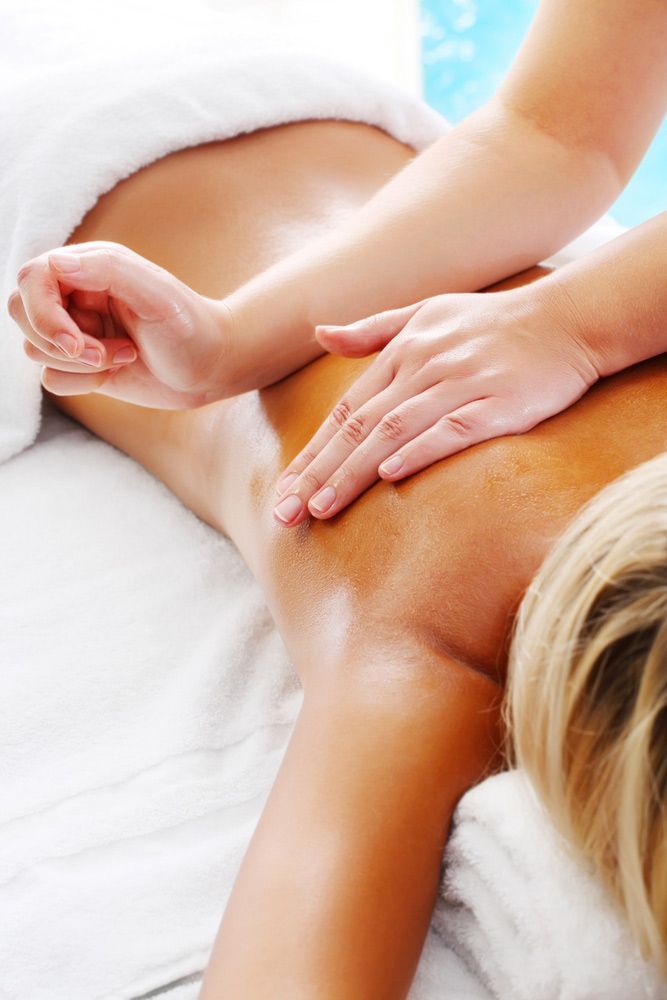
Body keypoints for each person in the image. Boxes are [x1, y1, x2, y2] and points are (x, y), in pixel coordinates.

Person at [5, 3, 667, 998]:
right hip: (56, 147)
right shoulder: (439, 635)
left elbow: (555, 132)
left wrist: (231, 341)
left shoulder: (452, 627)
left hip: (334, 118)